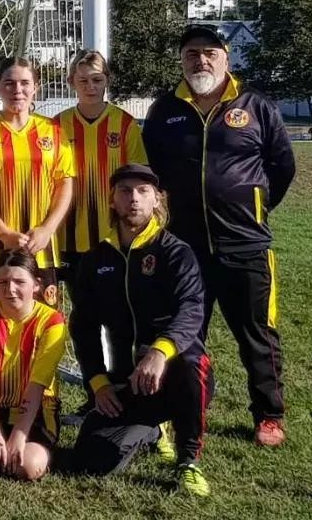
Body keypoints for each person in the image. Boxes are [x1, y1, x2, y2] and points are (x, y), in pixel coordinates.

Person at [142, 25, 296, 447]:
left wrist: (253, 209)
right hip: (185, 248)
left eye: (210, 53)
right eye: (192, 53)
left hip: (246, 245)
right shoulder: (165, 110)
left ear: (226, 58)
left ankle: (268, 415)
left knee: (258, 335)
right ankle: (184, 411)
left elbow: (282, 167)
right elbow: (152, 173)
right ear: (182, 60)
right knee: (184, 335)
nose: (201, 61)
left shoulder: (256, 105)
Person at [69, 164, 214, 496]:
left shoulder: (176, 252)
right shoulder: (95, 260)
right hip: (126, 380)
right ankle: (151, 429)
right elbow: (84, 327)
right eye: (125, 191)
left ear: (157, 200)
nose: (133, 199)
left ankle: (188, 460)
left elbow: (192, 310)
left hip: (171, 372)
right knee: (89, 461)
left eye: (143, 191)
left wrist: (160, 352)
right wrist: (98, 382)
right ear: (112, 200)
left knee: (194, 362)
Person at [0, 56, 77, 304]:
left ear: (35, 87)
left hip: (41, 246)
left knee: (43, 326)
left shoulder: (53, 131)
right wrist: (4, 232)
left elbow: (65, 184)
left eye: (25, 83)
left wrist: (48, 229)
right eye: (9, 83)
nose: (18, 90)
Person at [0, 250, 68, 481]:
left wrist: (19, 435)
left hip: (38, 409)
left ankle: (28, 444)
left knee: (27, 466)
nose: (10, 289)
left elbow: (37, 384)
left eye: (19, 282)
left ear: (36, 285)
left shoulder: (52, 321)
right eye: (3, 282)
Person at [52, 50, 147, 297]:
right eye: (83, 80)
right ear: (71, 82)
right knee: (81, 312)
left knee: (117, 310)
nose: (90, 87)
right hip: (69, 236)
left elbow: (139, 179)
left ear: (107, 80)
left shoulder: (125, 124)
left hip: (115, 233)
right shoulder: (56, 126)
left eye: (97, 80)